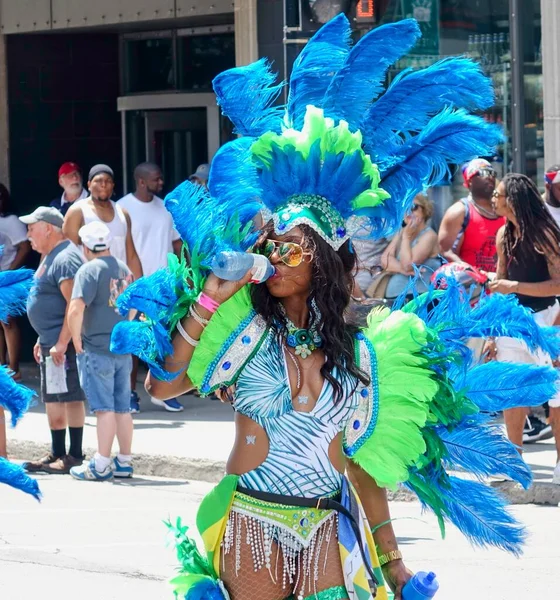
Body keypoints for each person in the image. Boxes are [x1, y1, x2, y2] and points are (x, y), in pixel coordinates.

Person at [112, 19, 545, 600]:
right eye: (271, 246)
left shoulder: (363, 353)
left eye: (291, 249)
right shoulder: (240, 329)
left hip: (323, 528)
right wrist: (212, 294)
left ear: (320, 266)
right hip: (253, 525)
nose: (274, 256)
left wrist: (394, 566)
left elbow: (361, 469)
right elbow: (163, 388)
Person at [486, 173, 560, 484]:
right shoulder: (504, 234)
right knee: (513, 393)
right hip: (512, 323)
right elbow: (500, 284)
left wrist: (513, 285)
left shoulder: (545, 234)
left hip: (548, 319)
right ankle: (514, 460)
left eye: (498, 194)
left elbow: (558, 284)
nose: (493, 199)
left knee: (555, 397)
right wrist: (491, 333)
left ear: (512, 200)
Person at [20, 206, 86, 474]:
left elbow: (73, 303)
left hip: (63, 345)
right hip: (51, 341)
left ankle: (73, 455)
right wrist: (41, 337)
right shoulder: (51, 255)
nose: (28, 235)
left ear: (48, 228)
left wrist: (61, 342)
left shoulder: (65, 258)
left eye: (31, 228)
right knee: (56, 397)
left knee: (68, 397)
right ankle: (58, 452)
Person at [67, 221, 135, 481]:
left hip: (96, 347)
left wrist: (76, 339)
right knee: (122, 408)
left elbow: (75, 309)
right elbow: (131, 306)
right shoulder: (123, 268)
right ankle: (125, 461)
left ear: (85, 246)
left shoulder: (88, 270)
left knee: (103, 408)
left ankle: (101, 463)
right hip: (121, 348)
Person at [118, 162, 183, 413]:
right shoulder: (123, 207)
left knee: (163, 340)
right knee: (134, 341)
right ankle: (129, 394)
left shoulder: (165, 207)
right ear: (141, 181)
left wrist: (183, 275)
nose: (161, 182)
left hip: (165, 286)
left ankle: (162, 392)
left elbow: (176, 243)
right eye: (156, 179)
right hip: (134, 286)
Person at [63, 164, 142, 281]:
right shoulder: (78, 211)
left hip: (119, 286)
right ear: (89, 185)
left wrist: (140, 288)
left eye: (108, 181)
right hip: (89, 285)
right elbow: (67, 255)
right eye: (98, 181)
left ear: (113, 185)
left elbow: (131, 256)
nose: (103, 185)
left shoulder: (122, 213)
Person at [438, 158, 505, 272]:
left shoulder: (504, 210)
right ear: (469, 182)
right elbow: (446, 252)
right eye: (483, 173)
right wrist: (474, 274)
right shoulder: (459, 212)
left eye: (492, 173)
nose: (490, 177)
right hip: (470, 285)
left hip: (501, 285)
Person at [379, 194, 441, 300]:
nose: (408, 212)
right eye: (404, 207)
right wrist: (402, 270)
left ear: (425, 210)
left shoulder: (429, 235)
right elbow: (385, 260)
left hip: (418, 297)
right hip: (393, 295)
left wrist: (406, 237)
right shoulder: (401, 232)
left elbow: (408, 265)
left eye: (413, 207)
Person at [0, 183, 31, 379]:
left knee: (8, 321)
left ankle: (13, 368)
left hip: (6, 278)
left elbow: (25, 247)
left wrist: (9, 272)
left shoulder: (11, 221)